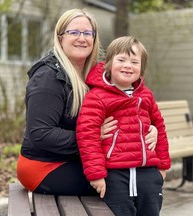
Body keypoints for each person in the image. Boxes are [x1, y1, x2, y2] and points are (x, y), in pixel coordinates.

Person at [17, 9, 158, 196]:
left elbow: (125, 107)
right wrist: (93, 136)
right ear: (60, 38)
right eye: (73, 32)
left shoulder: (97, 74)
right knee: (120, 182)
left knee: (142, 176)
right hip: (44, 166)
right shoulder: (47, 77)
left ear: (94, 38)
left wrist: (150, 128)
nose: (81, 38)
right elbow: (41, 134)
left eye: (87, 33)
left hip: (76, 157)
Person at [76, 36, 171, 216]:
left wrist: (163, 166)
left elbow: (159, 126)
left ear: (141, 69)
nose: (128, 65)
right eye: (121, 60)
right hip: (115, 174)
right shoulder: (97, 97)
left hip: (148, 174)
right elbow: (87, 135)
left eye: (134, 62)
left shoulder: (146, 96)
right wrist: (96, 174)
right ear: (109, 64)